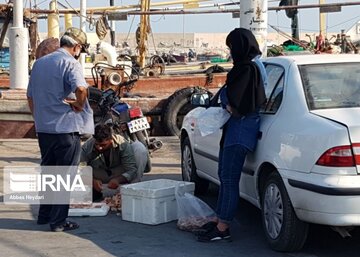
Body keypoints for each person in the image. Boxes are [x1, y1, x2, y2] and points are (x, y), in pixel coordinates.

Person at [197, 28, 266, 242]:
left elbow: (239, 106)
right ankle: (220, 220)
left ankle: (223, 226)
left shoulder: (247, 70)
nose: (230, 51)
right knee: (224, 175)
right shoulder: (251, 67)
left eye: (231, 47)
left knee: (228, 178)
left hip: (240, 129)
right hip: (236, 129)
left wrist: (225, 103)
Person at [27, 27, 94, 232]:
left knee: (48, 173)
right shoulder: (69, 63)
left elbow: (30, 97)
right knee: (64, 176)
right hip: (65, 129)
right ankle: (58, 221)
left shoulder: (39, 63)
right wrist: (80, 105)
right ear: (76, 47)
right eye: (79, 51)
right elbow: (81, 89)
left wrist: (39, 118)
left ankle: (44, 216)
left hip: (44, 129)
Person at [80, 123, 148, 200]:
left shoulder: (123, 143)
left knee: (139, 148)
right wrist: (92, 181)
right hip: (99, 174)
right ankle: (95, 191)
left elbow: (131, 169)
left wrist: (118, 179)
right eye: (97, 145)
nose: (99, 148)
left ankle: (133, 191)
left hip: (119, 172)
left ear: (111, 140)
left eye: (103, 145)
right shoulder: (88, 146)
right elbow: (79, 169)